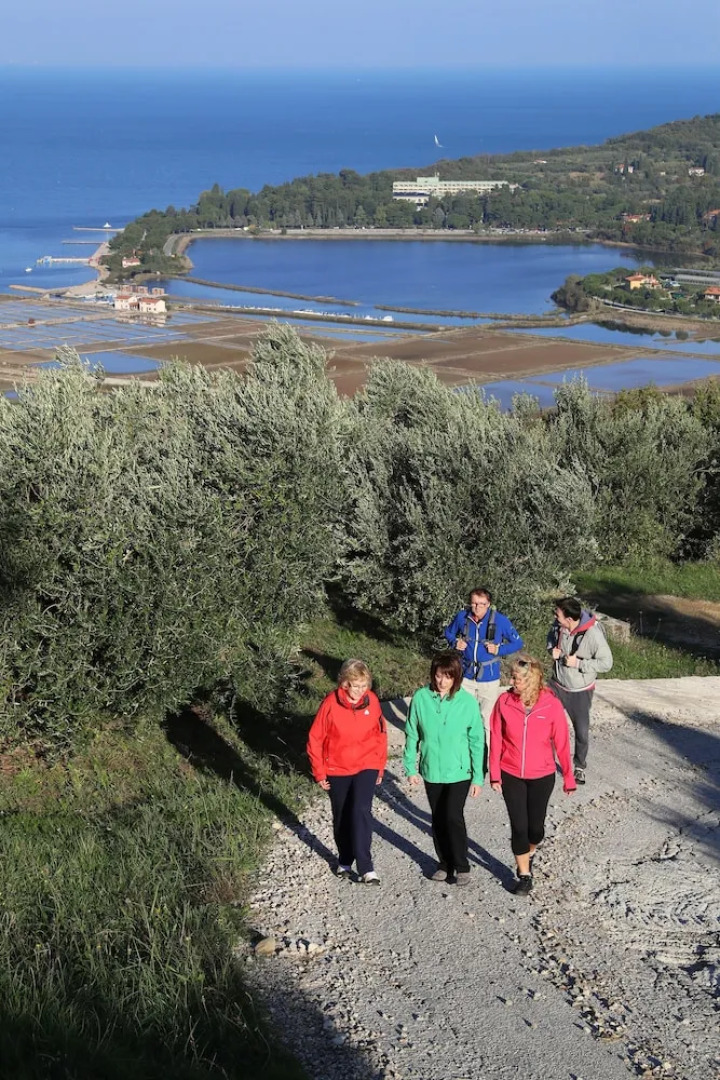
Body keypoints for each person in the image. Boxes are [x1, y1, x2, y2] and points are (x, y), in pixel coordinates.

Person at [489, 654, 576, 895]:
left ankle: (531, 850)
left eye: (516, 678)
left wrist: (569, 776)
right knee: (519, 826)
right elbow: (496, 738)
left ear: (532, 679)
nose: (511, 681)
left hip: (542, 775)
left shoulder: (551, 705)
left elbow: (562, 743)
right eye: (512, 677)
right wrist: (494, 772)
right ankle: (524, 874)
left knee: (535, 829)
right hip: (511, 772)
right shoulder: (504, 702)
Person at [403, 652, 484, 886]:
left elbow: (477, 740)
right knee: (438, 818)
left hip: (459, 771)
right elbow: (411, 733)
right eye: (439, 676)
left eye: (448, 677)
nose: (442, 682)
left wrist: (478, 777)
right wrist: (410, 766)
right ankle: (444, 863)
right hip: (431, 769)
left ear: (456, 677)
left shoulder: (467, 701)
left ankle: (462, 865)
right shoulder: (420, 698)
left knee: (452, 815)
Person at [307, 659, 387, 885]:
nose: (360, 691)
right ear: (344, 684)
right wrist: (319, 772)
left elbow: (380, 735)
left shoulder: (372, 701)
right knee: (341, 815)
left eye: (364, 685)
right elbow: (315, 739)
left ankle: (366, 867)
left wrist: (380, 765)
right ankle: (344, 859)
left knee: (361, 810)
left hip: (367, 764)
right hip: (337, 767)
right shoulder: (330, 704)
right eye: (355, 685)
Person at [444, 587, 523, 745]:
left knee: (487, 719)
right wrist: (455, 642)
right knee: (462, 716)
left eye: (481, 604)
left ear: (489, 604)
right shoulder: (462, 617)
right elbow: (448, 632)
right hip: (465, 676)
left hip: (489, 678)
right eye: (474, 603)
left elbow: (518, 642)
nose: (477, 607)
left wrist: (499, 649)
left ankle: (486, 757)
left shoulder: (500, 620)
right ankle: (464, 753)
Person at [547, 597, 613, 785]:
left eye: (557, 614)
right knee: (547, 723)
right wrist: (552, 650)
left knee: (581, 731)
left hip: (580, 690)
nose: (554, 616)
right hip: (557, 685)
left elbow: (607, 663)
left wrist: (579, 663)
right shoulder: (557, 627)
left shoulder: (592, 635)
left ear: (569, 618)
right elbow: (550, 640)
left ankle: (579, 766)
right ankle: (547, 761)